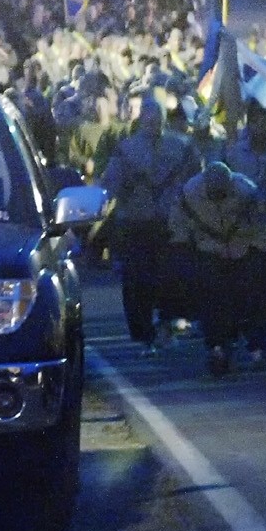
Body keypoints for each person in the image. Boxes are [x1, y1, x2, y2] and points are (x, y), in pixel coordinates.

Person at [100, 95, 200, 351]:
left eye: (157, 118)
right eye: (148, 117)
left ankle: (166, 323)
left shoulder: (181, 147)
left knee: (171, 279)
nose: (153, 122)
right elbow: (110, 185)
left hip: (169, 222)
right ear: (141, 119)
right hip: (136, 222)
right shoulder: (126, 149)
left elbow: (195, 181)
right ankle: (143, 332)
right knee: (137, 281)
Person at [169, 160, 266, 376]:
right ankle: (217, 348)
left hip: (243, 248)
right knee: (212, 302)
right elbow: (177, 223)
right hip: (208, 250)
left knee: (251, 299)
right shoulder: (189, 194)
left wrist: (261, 251)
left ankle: (256, 345)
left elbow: (264, 225)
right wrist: (184, 245)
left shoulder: (247, 192)